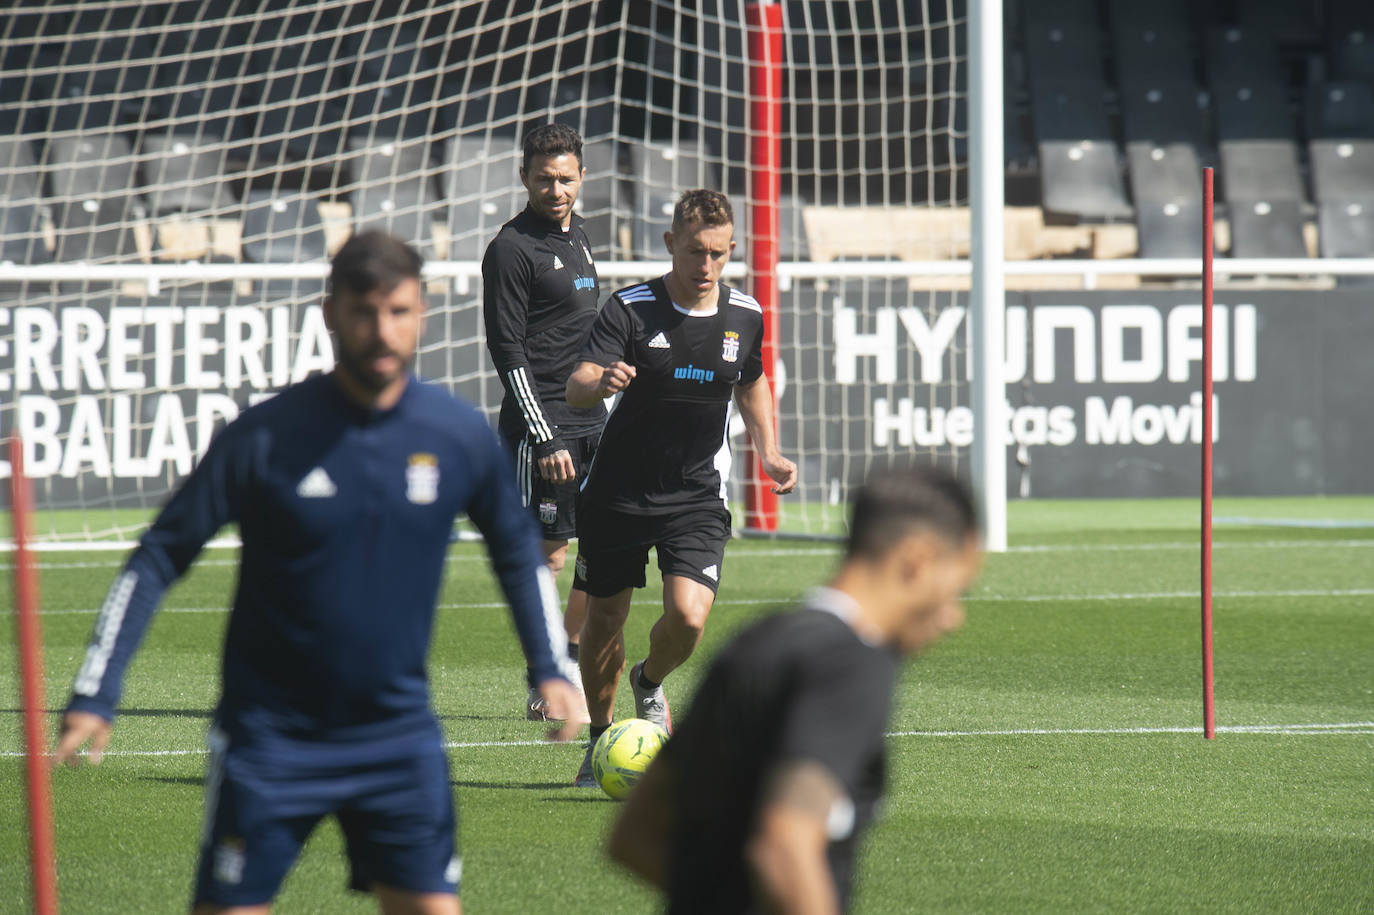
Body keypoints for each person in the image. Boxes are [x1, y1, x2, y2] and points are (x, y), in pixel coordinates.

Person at [53, 231, 582, 915]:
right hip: (271, 741)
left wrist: (549, 665)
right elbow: (159, 555)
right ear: (331, 313)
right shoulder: (264, 436)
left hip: (397, 737)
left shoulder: (456, 436)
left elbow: (516, 551)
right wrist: (97, 690)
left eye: (398, 311)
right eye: (364, 312)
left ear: (422, 313)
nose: (382, 331)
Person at [607, 465, 983, 913]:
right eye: (955, 590)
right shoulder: (852, 664)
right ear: (916, 561)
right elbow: (784, 845)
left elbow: (634, 835)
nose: (952, 618)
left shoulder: (760, 638)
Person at [564, 189, 798, 786]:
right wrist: (601, 381)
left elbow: (751, 380)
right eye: (695, 251)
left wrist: (768, 450)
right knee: (605, 618)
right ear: (671, 243)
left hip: (696, 494)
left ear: (732, 250)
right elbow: (577, 382)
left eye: (718, 253)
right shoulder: (630, 308)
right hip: (617, 493)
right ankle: (600, 741)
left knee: (690, 618)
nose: (705, 265)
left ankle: (648, 682)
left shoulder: (744, 314)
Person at [482, 123, 603, 723]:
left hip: (594, 422)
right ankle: (544, 679)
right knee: (548, 557)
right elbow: (508, 350)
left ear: (582, 177)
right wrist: (544, 433)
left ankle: (569, 659)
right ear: (524, 177)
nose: (556, 190)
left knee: (601, 551)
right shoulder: (510, 248)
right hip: (544, 430)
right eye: (544, 179)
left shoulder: (579, 235)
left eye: (566, 179)